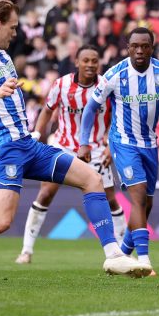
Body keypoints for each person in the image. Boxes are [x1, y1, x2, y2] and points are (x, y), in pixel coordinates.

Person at [0, 0, 151, 284]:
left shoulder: (2, 55)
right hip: (3, 149)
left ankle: (113, 255)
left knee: (92, 179)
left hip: (27, 145)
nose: (15, 32)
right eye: (12, 27)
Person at [78, 28, 159, 276]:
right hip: (122, 142)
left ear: (152, 47)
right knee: (137, 197)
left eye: (144, 46)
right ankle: (145, 260)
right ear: (128, 47)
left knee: (146, 204)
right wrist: (84, 142)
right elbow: (90, 108)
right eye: (134, 46)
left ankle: (124, 252)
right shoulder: (114, 75)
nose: (139, 51)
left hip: (149, 143)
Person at [15, 46, 126, 264]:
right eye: (86, 60)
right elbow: (47, 110)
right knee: (46, 193)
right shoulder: (62, 84)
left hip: (95, 148)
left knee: (111, 199)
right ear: (77, 62)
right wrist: (37, 134)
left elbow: (118, 117)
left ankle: (122, 251)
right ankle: (26, 251)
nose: (91, 64)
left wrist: (110, 146)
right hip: (63, 145)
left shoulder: (107, 85)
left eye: (95, 60)